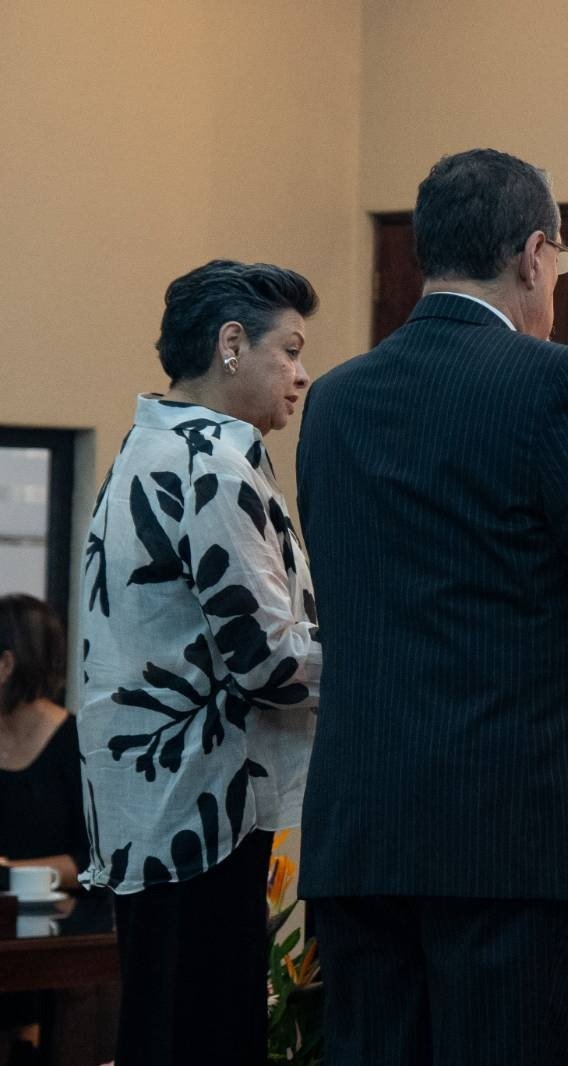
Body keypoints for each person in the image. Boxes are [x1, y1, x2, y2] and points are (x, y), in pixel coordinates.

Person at [296, 147, 568, 1065]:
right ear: (535, 255)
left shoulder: (337, 402)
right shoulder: (557, 384)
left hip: (366, 827)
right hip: (519, 833)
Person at [77, 260, 321, 1066]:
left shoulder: (148, 442)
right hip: (201, 806)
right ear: (230, 345)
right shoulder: (214, 456)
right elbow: (269, 662)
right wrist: (382, 656)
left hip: (149, 801)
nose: (301, 373)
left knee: (162, 1029)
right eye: (288, 350)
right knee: (206, 1039)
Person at [0, 593, 89, 1065]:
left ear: (6, 665)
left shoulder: (75, 744)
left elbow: (92, 863)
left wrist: (12, 870)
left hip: (60, 925)